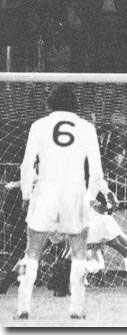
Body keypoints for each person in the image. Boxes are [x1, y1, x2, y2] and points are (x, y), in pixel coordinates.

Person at [15, 84, 110, 319]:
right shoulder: (87, 128)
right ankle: (77, 308)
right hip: (74, 192)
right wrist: (88, 198)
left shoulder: (39, 126)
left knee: (33, 251)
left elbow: (27, 165)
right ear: (75, 106)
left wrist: (27, 195)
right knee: (79, 252)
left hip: (46, 191)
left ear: (50, 104)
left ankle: (23, 306)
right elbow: (96, 172)